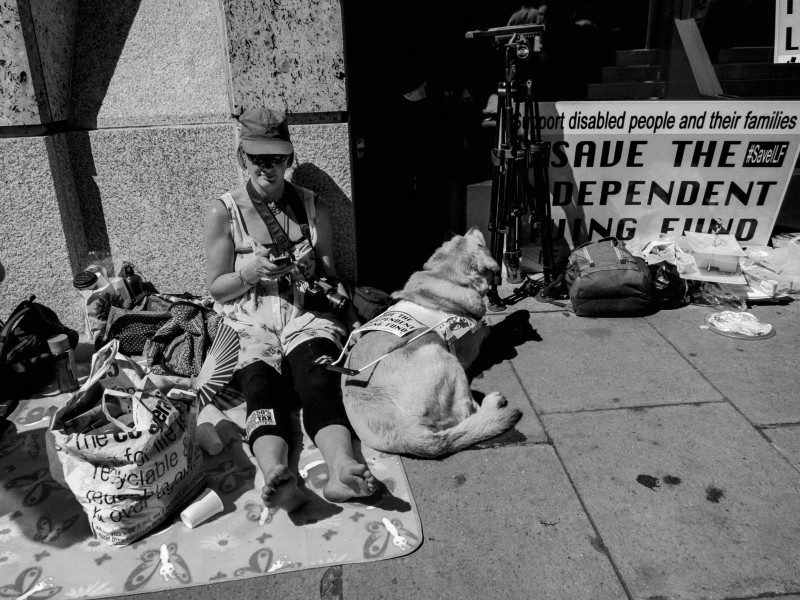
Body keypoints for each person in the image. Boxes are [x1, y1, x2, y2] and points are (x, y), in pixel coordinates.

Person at [204, 106, 376, 513]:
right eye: (258, 158)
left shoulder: (313, 206)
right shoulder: (222, 211)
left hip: (304, 314)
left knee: (317, 380)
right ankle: (275, 473)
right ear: (241, 157)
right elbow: (216, 287)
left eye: (277, 158)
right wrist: (250, 271)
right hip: (248, 317)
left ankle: (341, 468)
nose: (268, 168)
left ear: (290, 157)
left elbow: (332, 274)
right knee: (261, 385)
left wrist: (310, 268)